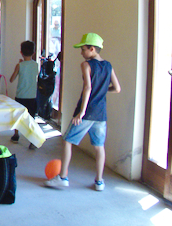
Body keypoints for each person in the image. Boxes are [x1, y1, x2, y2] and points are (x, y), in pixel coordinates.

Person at [46, 33, 120, 192]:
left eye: (83, 49)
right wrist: (102, 91)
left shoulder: (86, 65)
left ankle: (62, 177)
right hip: (101, 114)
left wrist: (81, 112)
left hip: (87, 112)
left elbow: (88, 88)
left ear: (92, 49)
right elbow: (117, 88)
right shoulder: (108, 66)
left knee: (67, 141)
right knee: (99, 147)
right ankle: (99, 181)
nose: (81, 52)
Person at [9, 40, 40, 144]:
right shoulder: (36, 65)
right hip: (32, 96)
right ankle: (32, 139)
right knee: (31, 118)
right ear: (33, 53)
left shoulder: (19, 65)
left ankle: (16, 135)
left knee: (18, 116)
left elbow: (11, 79)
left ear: (21, 52)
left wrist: (18, 66)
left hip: (20, 96)